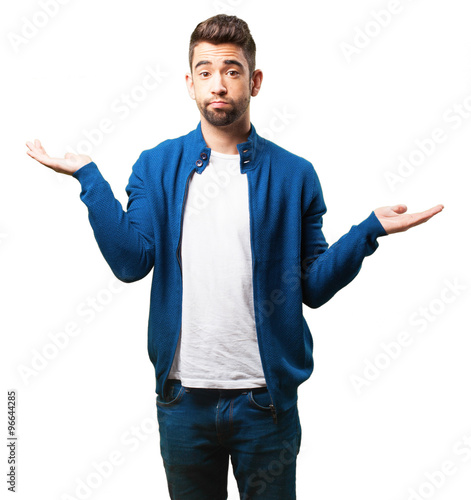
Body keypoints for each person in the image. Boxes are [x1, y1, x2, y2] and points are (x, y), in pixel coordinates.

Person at [25, 14, 443, 500]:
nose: (217, 84)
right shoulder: (155, 166)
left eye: (231, 70)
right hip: (182, 402)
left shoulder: (295, 175)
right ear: (190, 83)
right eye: (204, 71)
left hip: (265, 404)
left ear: (254, 80)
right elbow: (131, 261)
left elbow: (311, 287)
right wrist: (90, 180)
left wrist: (367, 232)